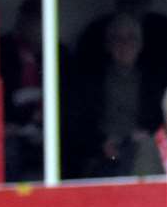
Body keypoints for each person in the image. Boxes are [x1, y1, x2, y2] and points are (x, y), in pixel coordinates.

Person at [65, 13, 167, 178]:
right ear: (108, 44)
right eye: (118, 39)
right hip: (103, 155)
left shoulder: (154, 82)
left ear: (140, 44)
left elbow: (160, 123)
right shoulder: (91, 82)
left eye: (131, 38)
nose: (125, 44)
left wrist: (146, 133)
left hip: (141, 152)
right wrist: (100, 143)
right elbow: (77, 125)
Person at [0, 0, 67, 183]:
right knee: (8, 150)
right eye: (32, 21)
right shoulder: (3, 51)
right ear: (21, 22)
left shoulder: (60, 54)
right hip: (14, 131)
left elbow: (70, 100)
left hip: (49, 130)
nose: (37, 28)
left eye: (42, 21)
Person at [75, 0, 167, 81]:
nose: (134, 4)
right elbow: (83, 70)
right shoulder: (94, 32)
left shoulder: (163, 29)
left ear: (149, 2)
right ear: (117, 1)